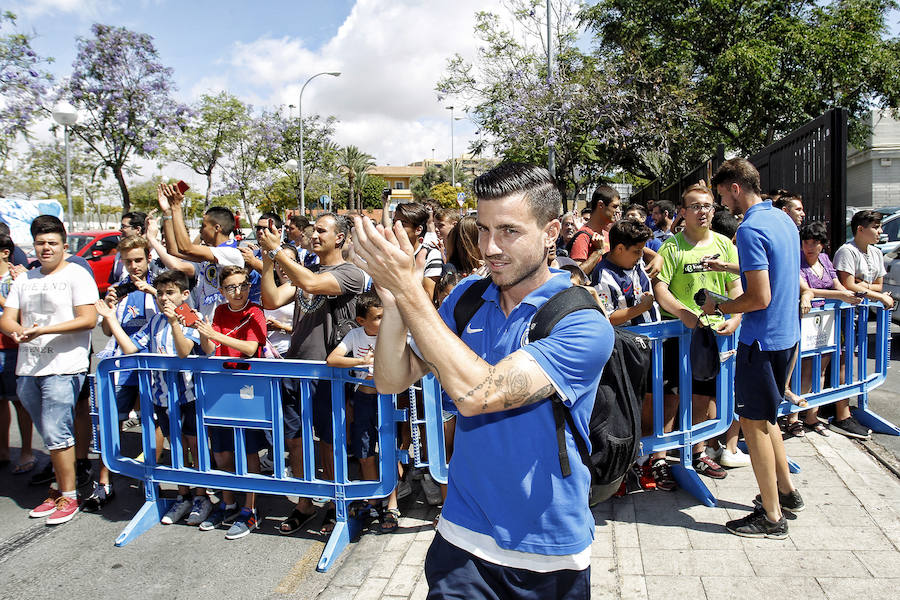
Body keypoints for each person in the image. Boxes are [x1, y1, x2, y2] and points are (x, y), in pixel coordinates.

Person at [352, 162, 613, 599]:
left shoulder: (582, 322)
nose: (490, 247)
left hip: (546, 550)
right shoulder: (468, 300)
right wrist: (396, 299)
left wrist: (414, 294)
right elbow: (391, 380)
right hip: (462, 538)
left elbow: (480, 394)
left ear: (551, 232)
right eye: (483, 230)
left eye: (509, 230)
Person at [706, 158, 804, 539]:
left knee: (753, 425)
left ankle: (772, 516)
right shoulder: (782, 219)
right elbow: (776, 273)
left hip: (760, 342)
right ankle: (785, 492)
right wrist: (731, 270)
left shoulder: (749, 229)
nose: (722, 205)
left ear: (734, 187)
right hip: (785, 336)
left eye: (721, 195)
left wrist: (720, 305)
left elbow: (758, 297)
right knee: (767, 420)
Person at [258, 213, 366, 535]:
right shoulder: (310, 271)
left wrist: (278, 251)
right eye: (313, 231)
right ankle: (305, 503)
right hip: (295, 369)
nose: (314, 235)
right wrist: (267, 260)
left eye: (322, 231)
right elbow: (271, 299)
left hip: (326, 373)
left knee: (329, 442)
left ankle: (336, 503)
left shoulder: (350, 274)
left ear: (341, 238)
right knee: (296, 441)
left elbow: (310, 284)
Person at [0, 215, 98, 525]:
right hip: (29, 366)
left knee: (57, 432)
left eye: (52, 243)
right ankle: (59, 488)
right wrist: (16, 330)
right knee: (52, 435)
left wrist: (44, 331)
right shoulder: (25, 279)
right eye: (41, 243)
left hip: (65, 366)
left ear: (64, 246)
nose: (46, 248)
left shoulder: (77, 275)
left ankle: (69, 496)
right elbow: (7, 317)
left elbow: (88, 319)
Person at [93, 269, 208, 523]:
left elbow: (183, 351)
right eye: (160, 293)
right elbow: (131, 347)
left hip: (188, 396)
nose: (164, 298)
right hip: (162, 397)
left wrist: (176, 322)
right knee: (175, 446)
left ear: (184, 294)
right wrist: (111, 318)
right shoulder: (154, 321)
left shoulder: (191, 316)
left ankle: (201, 496)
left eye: (170, 293)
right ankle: (183, 495)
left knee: (194, 446)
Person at [653, 183, 745, 477]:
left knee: (704, 397)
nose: (702, 212)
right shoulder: (672, 246)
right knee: (670, 396)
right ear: (683, 212)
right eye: (695, 206)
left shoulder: (723, 244)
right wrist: (685, 314)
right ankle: (659, 458)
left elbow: (736, 286)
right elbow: (660, 289)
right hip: (677, 337)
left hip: (714, 337)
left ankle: (698, 452)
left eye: (707, 206)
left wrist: (737, 316)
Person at [84, 235, 161, 510]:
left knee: (155, 423)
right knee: (111, 422)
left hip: (152, 365)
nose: (134, 266)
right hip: (121, 365)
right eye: (128, 261)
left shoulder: (160, 286)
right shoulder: (119, 287)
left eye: (138, 260)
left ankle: (150, 476)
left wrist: (151, 291)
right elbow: (107, 330)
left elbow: (173, 313)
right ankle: (104, 482)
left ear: (148, 257)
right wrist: (110, 309)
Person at [195, 265, 268, 539]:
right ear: (222, 290)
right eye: (230, 287)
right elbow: (209, 349)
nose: (238, 292)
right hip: (220, 388)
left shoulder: (255, 311)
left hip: (248, 389)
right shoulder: (219, 311)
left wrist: (215, 335)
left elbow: (251, 348)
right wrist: (203, 330)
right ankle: (228, 502)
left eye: (242, 285)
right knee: (223, 452)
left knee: (249, 452)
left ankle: (251, 510)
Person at [325, 291, 400, 533]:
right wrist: (360, 362)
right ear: (361, 321)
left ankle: (392, 504)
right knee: (366, 453)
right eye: (378, 317)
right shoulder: (355, 335)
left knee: (388, 452)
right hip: (363, 399)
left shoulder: (392, 333)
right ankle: (373, 501)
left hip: (387, 398)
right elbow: (332, 359)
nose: (383, 321)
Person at [831, 209, 894, 438]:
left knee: (852, 359)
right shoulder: (847, 251)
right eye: (876, 227)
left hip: (862, 313)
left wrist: (862, 286)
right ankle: (841, 413)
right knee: (842, 361)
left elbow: (877, 283)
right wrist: (870, 291)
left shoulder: (876, 253)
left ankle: (847, 409)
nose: (880, 232)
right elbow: (847, 285)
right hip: (846, 316)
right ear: (860, 229)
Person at [796, 221, 862, 436]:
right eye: (806, 241)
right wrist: (841, 296)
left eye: (815, 242)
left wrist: (850, 294)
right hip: (804, 321)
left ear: (823, 244)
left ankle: (812, 415)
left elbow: (837, 284)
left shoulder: (825, 259)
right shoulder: (797, 260)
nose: (809, 246)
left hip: (825, 322)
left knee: (821, 369)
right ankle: (794, 417)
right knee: (803, 370)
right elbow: (807, 289)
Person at [157, 183, 245, 320]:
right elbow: (173, 250)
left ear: (217, 228)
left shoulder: (231, 253)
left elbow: (186, 247)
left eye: (203, 226)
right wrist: (168, 213)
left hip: (226, 327)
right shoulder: (211, 253)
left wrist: (176, 207)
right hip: (207, 323)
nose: (200, 230)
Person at [0, 233, 34, 474]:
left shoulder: (17, 278)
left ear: (5, 252)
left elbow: (26, 312)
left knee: (20, 402)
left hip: (12, 348)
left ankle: (27, 451)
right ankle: (3, 450)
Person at [569, 184, 621, 275]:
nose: (618, 211)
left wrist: (654, 257)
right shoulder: (583, 237)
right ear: (600, 205)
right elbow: (576, 276)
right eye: (614, 206)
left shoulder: (607, 235)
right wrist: (598, 252)